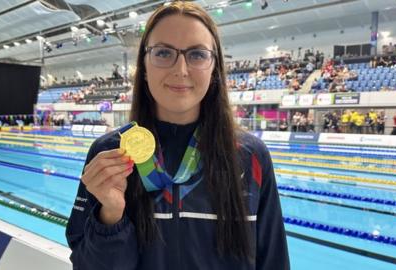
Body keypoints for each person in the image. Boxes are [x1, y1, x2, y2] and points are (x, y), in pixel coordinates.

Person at [66, 2, 290, 270]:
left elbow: (274, 262)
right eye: (163, 52)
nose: (181, 69)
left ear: (214, 68)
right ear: (145, 67)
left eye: (196, 54)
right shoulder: (109, 153)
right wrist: (111, 216)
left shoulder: (250, 156)